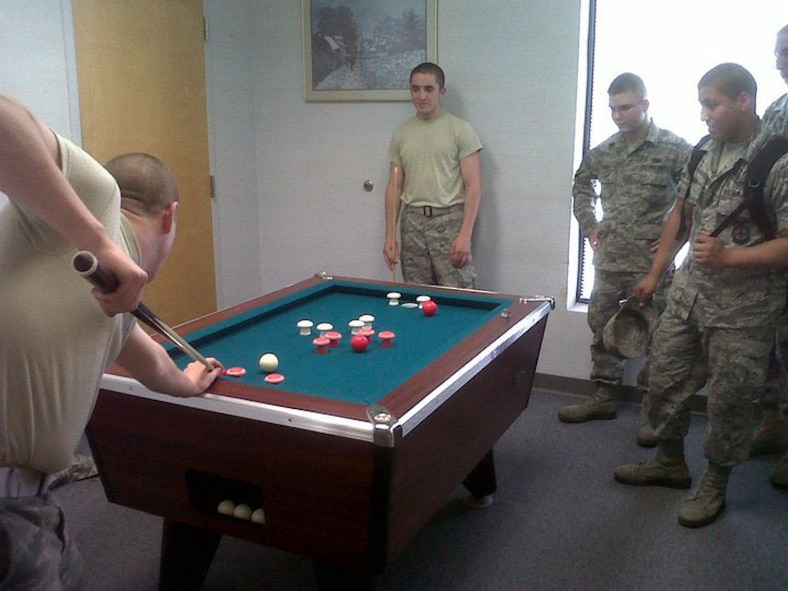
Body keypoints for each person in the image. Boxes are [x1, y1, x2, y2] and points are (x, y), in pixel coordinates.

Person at [0, 93, 224, 588]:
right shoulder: (98, 201)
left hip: (28, 508)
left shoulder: (115, 305)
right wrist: (97, 240)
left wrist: (191, 381)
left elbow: (157, 368)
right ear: (170, 218)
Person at [614, 63, 788, 528]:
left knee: (730, 402)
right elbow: (682, 214)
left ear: (743, 101)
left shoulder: (777, 159)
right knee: (662, 377)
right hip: (690, 294)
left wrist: (731, 259)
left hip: (744, 311)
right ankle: (670, 462)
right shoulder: (704, 151)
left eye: (711, 104)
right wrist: (656, 272)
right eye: (701, 104)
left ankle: (715, 482)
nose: (703, 114)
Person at [558, 73, 691, 447]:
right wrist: (590, 225)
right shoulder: (605, 151)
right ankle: (604, 396)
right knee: (601, 327)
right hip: (611, 259)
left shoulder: (674, 149)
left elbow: (693, 201)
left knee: (659, 336)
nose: (618, 115)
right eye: (613, 108)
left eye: (626, 107)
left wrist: (673, 243)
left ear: (645, 105)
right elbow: (580, 185)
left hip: (652, 266)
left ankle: (653, 407)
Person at [383, 62, 483, 288]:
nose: (421, 96)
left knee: (459, 296)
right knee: (417, 297)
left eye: (429, 89)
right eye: (415, 89)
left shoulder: (460, 130)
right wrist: (390, 235)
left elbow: (473, 185)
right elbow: (395, 187)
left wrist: (465, 235)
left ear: (441, 92)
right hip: (413, 225)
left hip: (449, 222)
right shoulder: (402, 133)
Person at [752, 24, 788, 489]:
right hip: (775, 246)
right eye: (778, 52)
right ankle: (776, 425)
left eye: (785, 51)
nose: (779, 60)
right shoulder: (778, 109)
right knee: (776, 346)